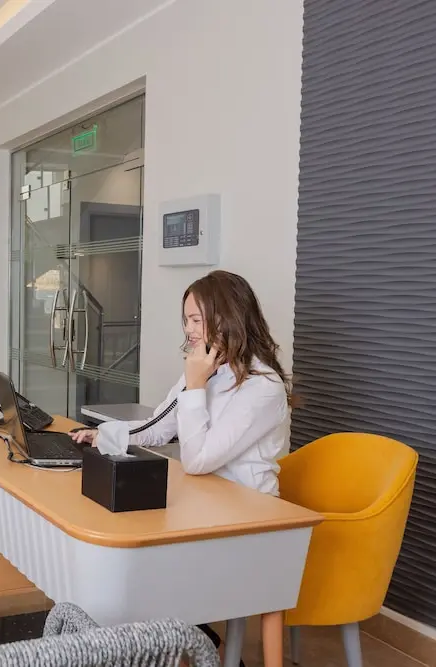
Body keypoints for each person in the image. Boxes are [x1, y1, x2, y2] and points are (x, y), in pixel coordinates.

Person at [71, 270, 292, 666]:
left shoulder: (263, 388)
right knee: (131, 557)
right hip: (205, 505)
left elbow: (198, 459)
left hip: (248, 522)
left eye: (196, 319)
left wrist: (195, 385)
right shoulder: (206, 369)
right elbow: (160, 426)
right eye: (186, 320)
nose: (188, 330)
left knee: (149, 571)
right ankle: (200, 648)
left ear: (228, 318)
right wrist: (104, 435)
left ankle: (198, 648)